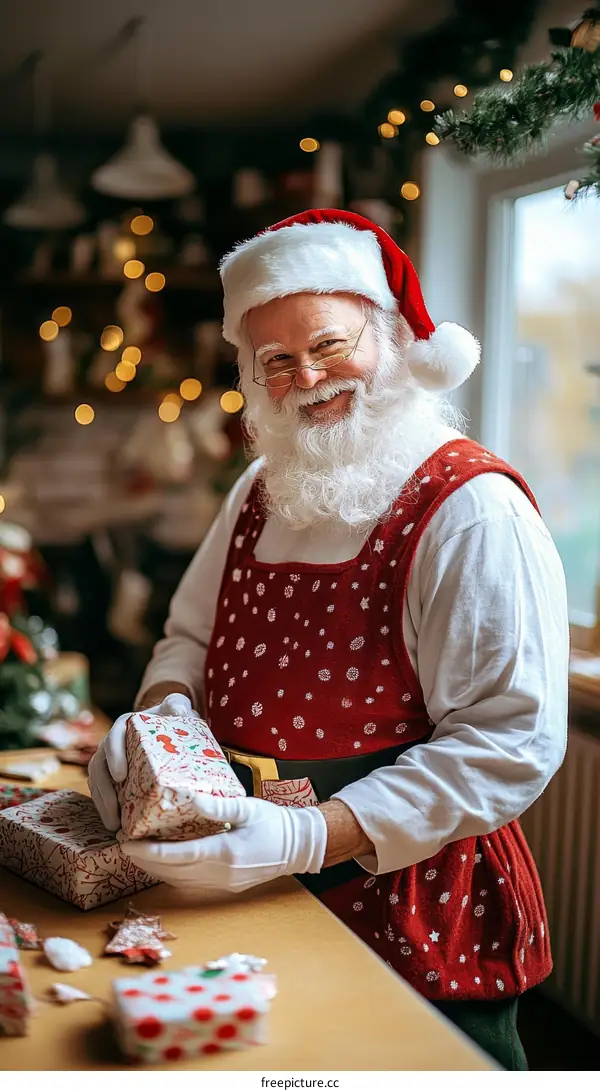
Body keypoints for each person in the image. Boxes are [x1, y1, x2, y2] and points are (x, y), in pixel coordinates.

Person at [89, 209, 569, 1069]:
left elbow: (509, 741)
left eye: (331, 345)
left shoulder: (471, 510)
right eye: (276, 358)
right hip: (251, 892)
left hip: (415, 911)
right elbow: (187, 639)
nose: (306, 376)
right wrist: (154, 737)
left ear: (390, 339)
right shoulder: (258, 489)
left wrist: (315, 835)